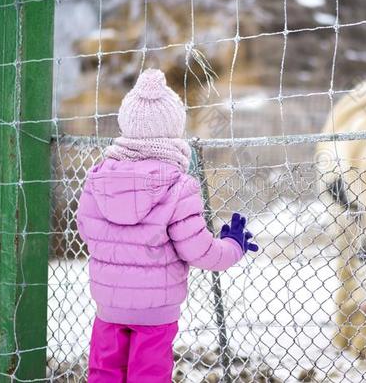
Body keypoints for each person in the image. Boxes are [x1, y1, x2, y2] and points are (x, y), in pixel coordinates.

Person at [76, 68, 258, 382]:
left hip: (109, 305)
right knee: (148, 375)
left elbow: (87, 230)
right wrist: (232, 246)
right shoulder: (178, 186)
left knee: (104, 373)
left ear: (127, 124)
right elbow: (198, 251)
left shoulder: (98, 178)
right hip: (155, 310)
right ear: (174, 128)